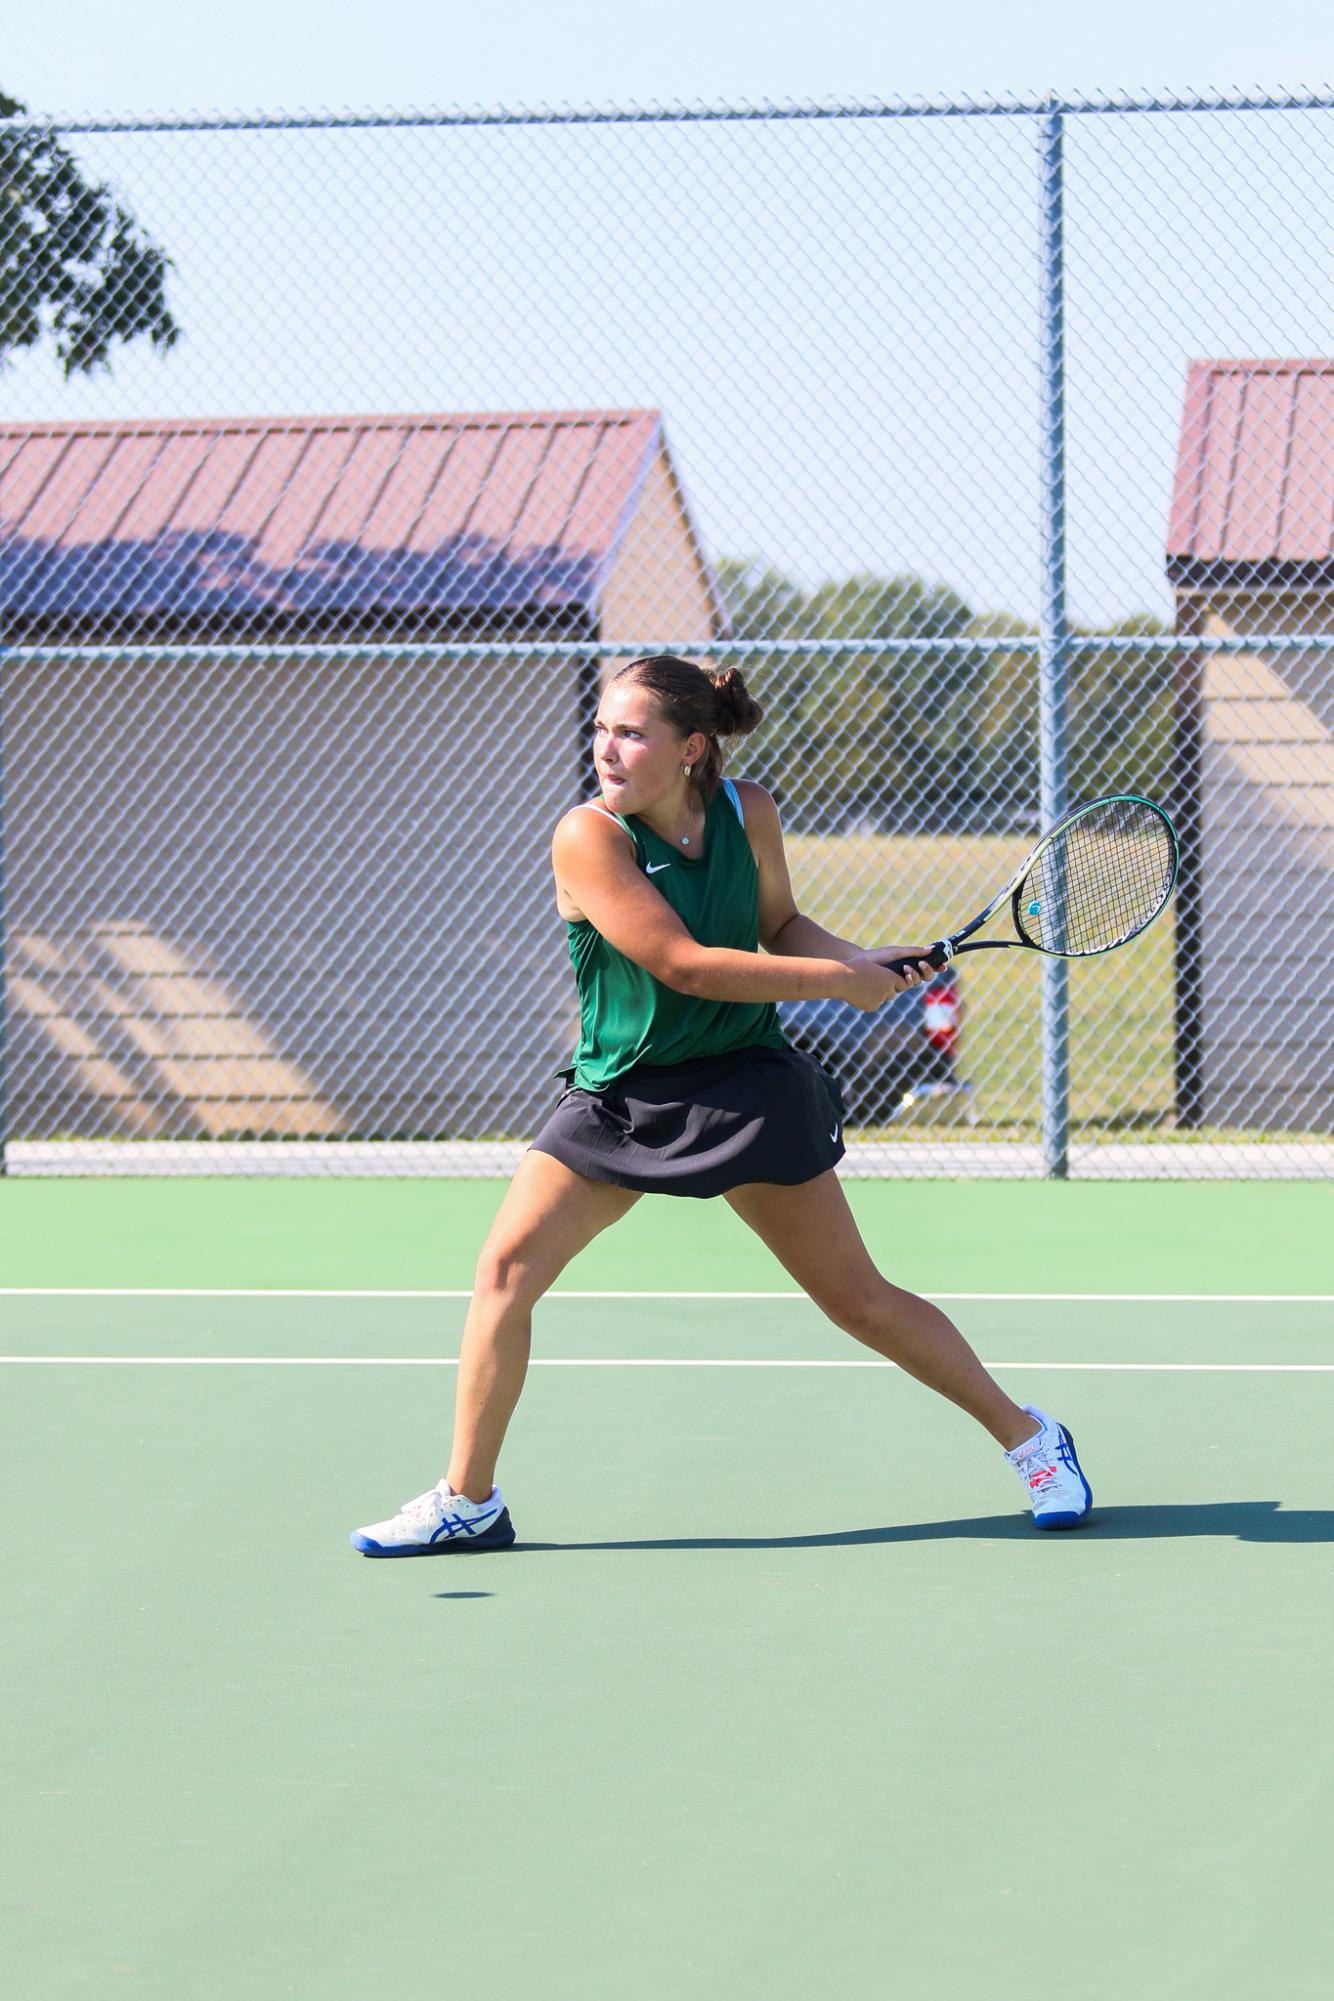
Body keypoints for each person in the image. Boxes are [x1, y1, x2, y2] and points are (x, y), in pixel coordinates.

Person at [351, 654, 1092, 1555]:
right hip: (621, 1096)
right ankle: (469, 1499)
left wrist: (860, 958)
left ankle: (1032, 1438)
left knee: (857, 1300)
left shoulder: (751, 811)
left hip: (745, 1084)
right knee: (504, 1274)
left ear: (693, 747)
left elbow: (777, 924)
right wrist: (838, 982)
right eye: (601, 730)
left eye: (631, 733)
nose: (606, 749)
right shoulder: (589, 837)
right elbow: (683, 960)